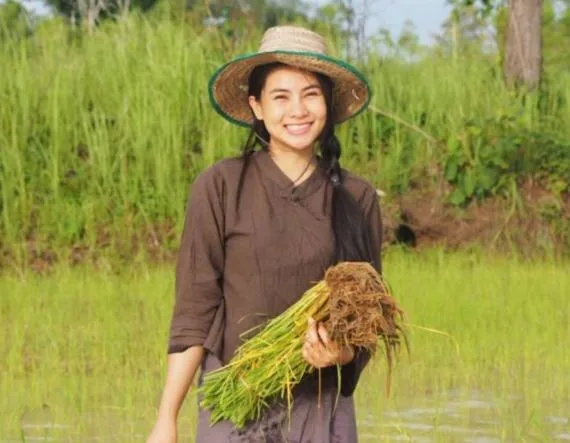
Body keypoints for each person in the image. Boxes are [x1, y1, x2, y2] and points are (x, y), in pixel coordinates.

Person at [146, 25, 382, 443]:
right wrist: (167, 418)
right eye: (281, 97)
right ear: (256, 105)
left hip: (320, 404)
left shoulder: (356, 197)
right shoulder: (221, 186)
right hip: (235, 396)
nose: (298, 110)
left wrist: (341, 353)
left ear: (328, 103)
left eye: (311, 94)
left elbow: (367, 320)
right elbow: (195, 310)